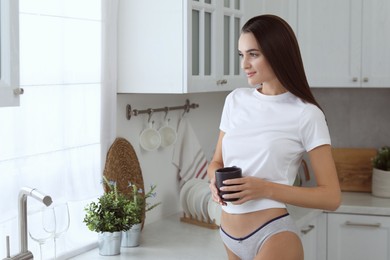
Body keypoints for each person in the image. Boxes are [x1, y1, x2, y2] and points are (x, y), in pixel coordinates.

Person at [207, 14, 341, 260]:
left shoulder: (306, 114)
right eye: (241, 54)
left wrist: (265, 188)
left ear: (278, 53)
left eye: (253, 54)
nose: (244, 64)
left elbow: (331, 197)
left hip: (272, 236)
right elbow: (217, 162)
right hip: (227, 233)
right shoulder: (235, 100)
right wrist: (213, 181)